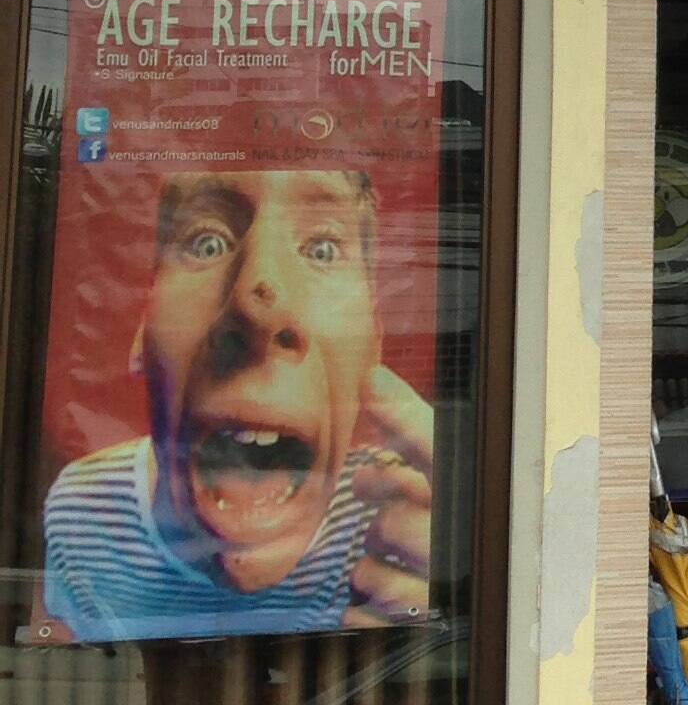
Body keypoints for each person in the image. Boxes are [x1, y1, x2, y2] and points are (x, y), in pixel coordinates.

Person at [38, 164, 434, 643]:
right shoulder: (80, 508)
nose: (256, 301)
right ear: (142, 333)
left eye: (323, 249)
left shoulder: (399, 513)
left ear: (372, 348)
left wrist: (463, 595)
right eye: (206, 243)